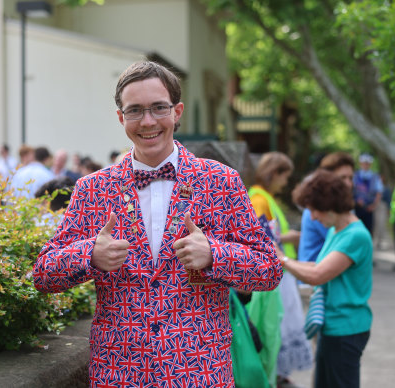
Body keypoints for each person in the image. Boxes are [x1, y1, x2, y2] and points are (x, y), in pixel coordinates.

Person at [33, 61, 282, 387]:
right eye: (135, 110)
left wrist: (215, 255)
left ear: (177, 112)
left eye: (158, 108)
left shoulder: (221, 181)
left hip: (199, 372)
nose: (147, 121)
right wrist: (88, 254)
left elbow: (269, 269)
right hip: (118, 373)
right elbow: (43, 273)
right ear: (121, 117)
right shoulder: (92, 188)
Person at [286, 169, 373, 388]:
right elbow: (319, 266)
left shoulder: (355, 236)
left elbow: (317, 275)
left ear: (330, 204)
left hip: (346, 329)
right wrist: (283, 260)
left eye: (315, 210)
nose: (312, 217)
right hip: (332, 326)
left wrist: (282, 260)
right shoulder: (337, 229)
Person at [248, 152, 312, 388]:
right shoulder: (259, 199)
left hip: (280, 268)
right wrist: (289, 238)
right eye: (284, 177)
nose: (285, 183)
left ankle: (278, 372)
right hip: (275, 272)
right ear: (273, 174)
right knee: (275, 326)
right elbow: (257, 236)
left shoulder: (265, 197)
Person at [298, 152, 355, 264]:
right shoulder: (320, 208)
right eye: (342, 178)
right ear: (328, 178)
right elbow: (347, 241)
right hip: (312, 276)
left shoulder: (337, 206)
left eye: (350, 178)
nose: (348, 184)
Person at [353, 153, 383, 234]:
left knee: (368, 231)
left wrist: (373, 206)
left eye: (367, 163)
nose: (365, 165)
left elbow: (379, 192)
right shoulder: (355, 175)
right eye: (364, 163)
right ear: (360, 163)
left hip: (369, 209)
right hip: (357, 208)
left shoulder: (375, 177)